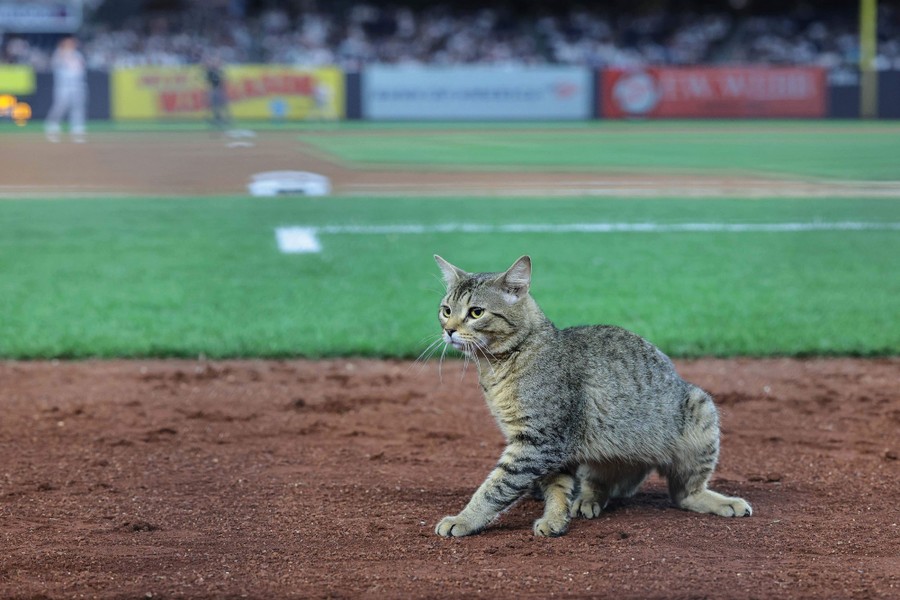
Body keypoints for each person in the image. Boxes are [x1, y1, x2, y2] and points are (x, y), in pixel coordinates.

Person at [44, 36, 87, 143]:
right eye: (68, 43)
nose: (71, 45)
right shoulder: (58, 54)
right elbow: (54, 63)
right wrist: (63, 51)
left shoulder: (78, 54)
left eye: (72, 43)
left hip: (78, 85)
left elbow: (81, 68)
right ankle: (52, 125)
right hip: (63, 86)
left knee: (78, 107)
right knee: (60, 106)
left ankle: (77, 129)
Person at [205, 57, 231, 129]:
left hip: (220, 89)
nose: (214, 64)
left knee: (223, 105)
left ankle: (227, 119)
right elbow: (208, 81)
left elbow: (224, 79)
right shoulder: (210, 71)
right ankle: (217, 118)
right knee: (214, 105)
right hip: (214, 89)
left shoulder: (219, 71)